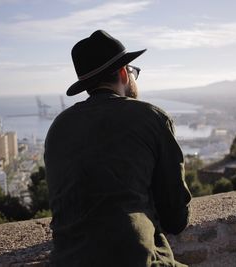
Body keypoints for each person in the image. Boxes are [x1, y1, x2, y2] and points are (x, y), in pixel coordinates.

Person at [44, 30, 192, 267]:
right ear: (124, 73)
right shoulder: (151, 118)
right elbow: (176, 219)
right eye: (134, 71)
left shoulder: (58, 127)